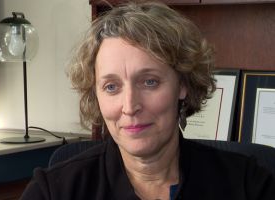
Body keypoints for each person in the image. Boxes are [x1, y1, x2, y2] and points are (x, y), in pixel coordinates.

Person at [20, 1, 275, 200]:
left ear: (182, 85)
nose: (130, 106)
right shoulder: (55, 191)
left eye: (150, 82)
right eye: (111, 87)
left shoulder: (247, 183)